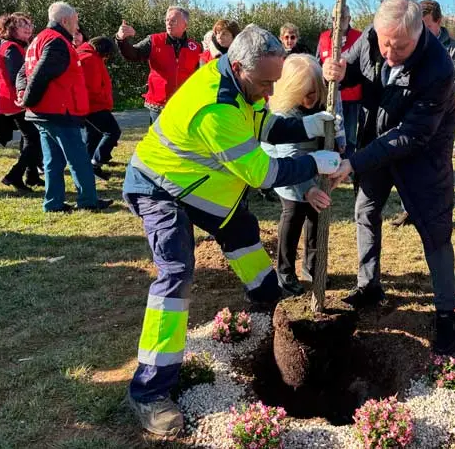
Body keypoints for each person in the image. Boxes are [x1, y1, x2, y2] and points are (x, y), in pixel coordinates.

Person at [122, 24, 341, 437]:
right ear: (238, 66)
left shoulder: (242, 84)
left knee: (242, 233)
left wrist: (305, 127)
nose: (269, 93)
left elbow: (262, 126)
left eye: (275, 84)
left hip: (202, 187)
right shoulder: (216, 107)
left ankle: (268, 302)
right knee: (176, 276)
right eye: (265, 84)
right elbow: (263, 173)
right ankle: (150, 390)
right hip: (161, 189)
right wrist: (316, 163)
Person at [323, 0, 455, 355]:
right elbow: (352, 69)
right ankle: (369, 286)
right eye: (384, 42)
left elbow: (412, 135)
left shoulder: (439, 68)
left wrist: (354, 161)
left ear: (419, 35)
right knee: (364, 212)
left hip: (422, 156)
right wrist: (336, 70)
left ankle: (447, 311)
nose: (388, 51)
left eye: (398, 46)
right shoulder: (374, 35)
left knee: (434, 230)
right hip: (375, 146)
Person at [15, 1, 112, 212]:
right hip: (59, 110)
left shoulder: (38, 39)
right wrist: (27, 99)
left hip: (43, 112)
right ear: (65, 20)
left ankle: (54, 202)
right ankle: (88, 200)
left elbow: (23, 72)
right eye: (76, 21)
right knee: (78, 159)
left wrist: (23, 95)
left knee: (53, 160)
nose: (77, 27)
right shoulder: (57, 42)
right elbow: (41, 74)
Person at [264, 54, 340, 295]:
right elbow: (291, 153)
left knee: (316, 218)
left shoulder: (324, 100)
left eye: (313, 93)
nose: (310, 99)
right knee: (293, 215)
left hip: (315, 170)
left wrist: (340, 150)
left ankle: (313, 267)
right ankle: (285, 273)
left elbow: (337, 128)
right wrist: (307, 189)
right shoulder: (283, 112)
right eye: (304, 95)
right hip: (287, 172)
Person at [391, 0, 455, 227]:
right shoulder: (412, 43)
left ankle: (437, 212)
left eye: (427, 25)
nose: (422, 31)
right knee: (408, 160)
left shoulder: (453, 48)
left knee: (437, 166)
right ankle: (409, 209)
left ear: (439, 22)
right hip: (412, 116)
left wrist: (426, 94)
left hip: (441, 118)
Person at [116, 6, 201, 123]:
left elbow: (200, 75)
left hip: (184, 105)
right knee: (159, 140)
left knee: (180, 141)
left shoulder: (195, 48)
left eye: (173, 21)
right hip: (158, 106)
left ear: (185, 25)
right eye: (167, 20)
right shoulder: (154, 40)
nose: (169, 23)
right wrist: (121, 40)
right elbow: (133, 54)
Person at [0, 12, 43, 191]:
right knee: (34, 138)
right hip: (16, 101)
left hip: (16, 100)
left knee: (29, 137)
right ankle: (14, 175)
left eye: (30, 24)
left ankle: (32, 176)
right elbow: (18, 77)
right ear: (12, 29)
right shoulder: (12, 48)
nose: (29, 28)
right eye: (23, 25)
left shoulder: (15, 46)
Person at [317, 5, 362, 159]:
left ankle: (347, 165)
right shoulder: (323, 37)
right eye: (335, 18)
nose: (339, 21)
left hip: (351, 97)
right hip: (329, 97)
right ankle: (331, 163)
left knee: (349, 134)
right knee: (329, 131)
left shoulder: (359, 37)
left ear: (349, 19)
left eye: (343, 17)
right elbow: (318, 63)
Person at [77, 36, 121, 180]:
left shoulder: (83, 54)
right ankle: (96, 162)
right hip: (95, 105)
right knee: (112, 131)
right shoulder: (91, 59)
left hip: (86, 106)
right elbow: (93, 88)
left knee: (92, 136)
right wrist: (105, 97)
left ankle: (88, 168)